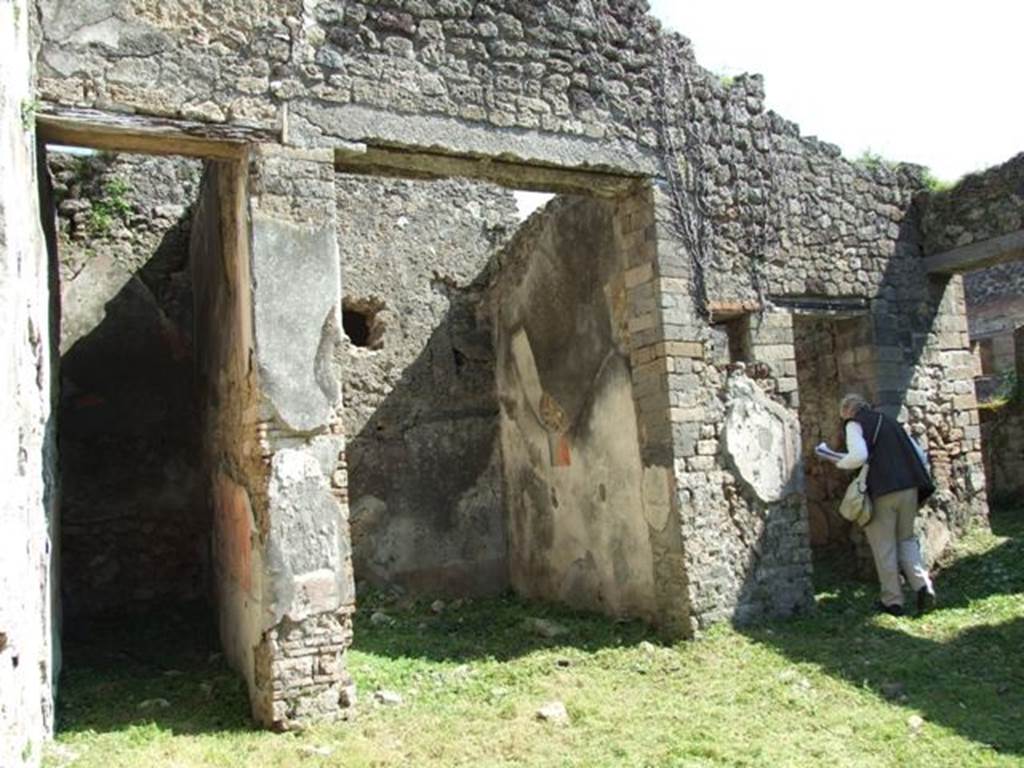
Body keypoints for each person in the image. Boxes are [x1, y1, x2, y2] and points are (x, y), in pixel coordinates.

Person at [820, 393, 937, 617]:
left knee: (884, 546)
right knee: (906, 539)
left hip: (882, 491)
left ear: (848, 411)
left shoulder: (855, 424)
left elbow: (859, 456)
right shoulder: (890, 421)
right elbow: (918, 454)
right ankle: (923, 586)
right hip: (909, 488)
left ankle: (893, 601)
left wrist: (837, 460)